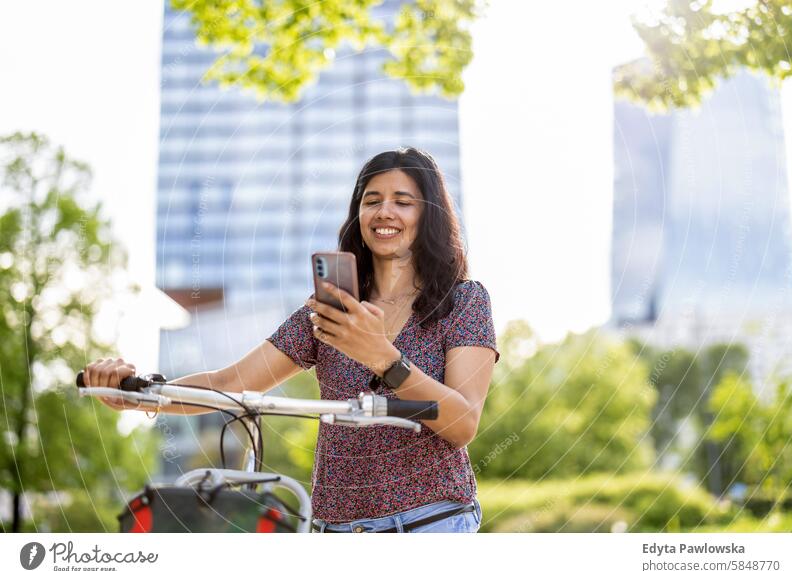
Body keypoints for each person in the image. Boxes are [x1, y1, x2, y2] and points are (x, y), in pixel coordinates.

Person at [83, 146, 500, 533]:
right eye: (371, 200)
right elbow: (230, 384)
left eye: (403, 201)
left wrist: (383, 359)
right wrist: (140, 396)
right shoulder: (330, 312)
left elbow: (462, 423)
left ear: (429, 215)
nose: (384, 212)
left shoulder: (462, 301)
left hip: (431, 522)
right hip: (334, 530)